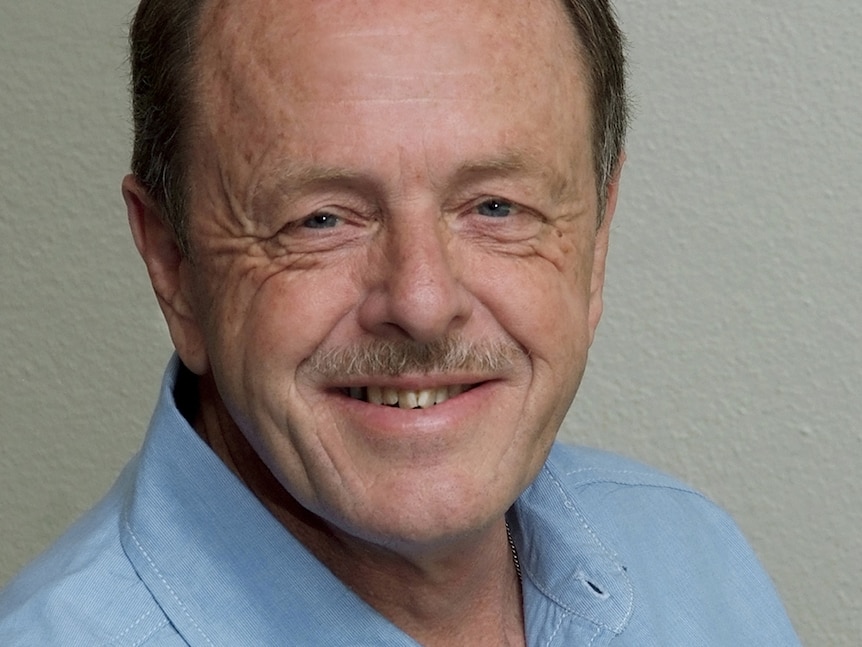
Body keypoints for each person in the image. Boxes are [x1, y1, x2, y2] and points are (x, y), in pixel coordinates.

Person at [0, 0, 801, 644]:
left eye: (496, 206)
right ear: (173, 265)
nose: (420, 302)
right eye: (320, 219)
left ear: (595, 243)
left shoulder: (695, 561)